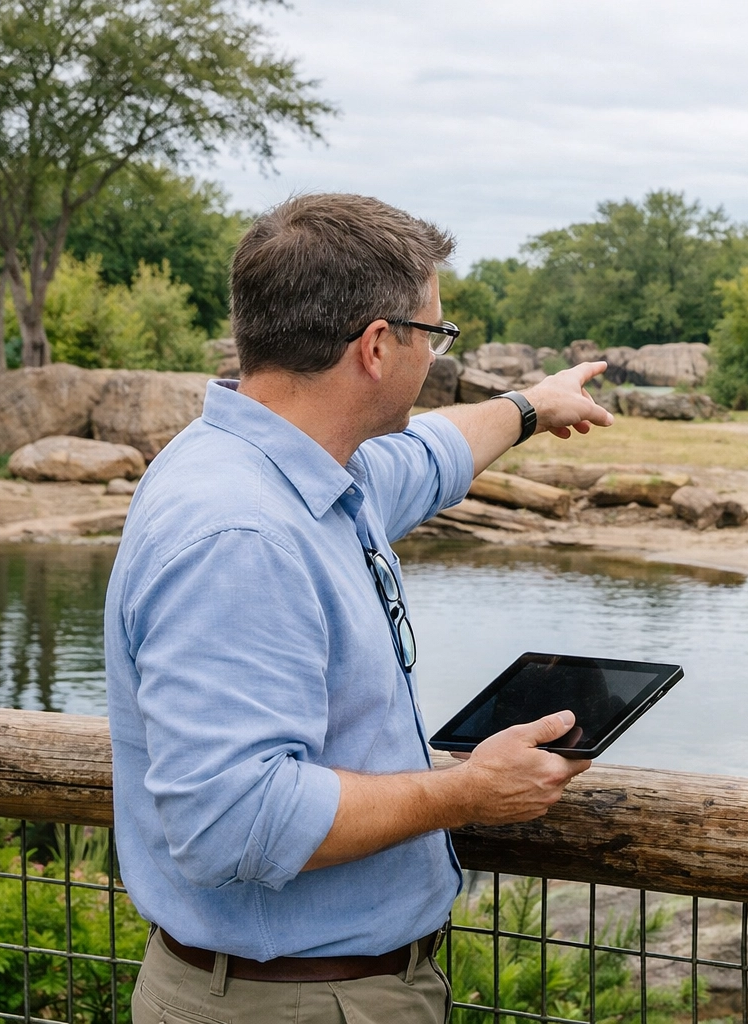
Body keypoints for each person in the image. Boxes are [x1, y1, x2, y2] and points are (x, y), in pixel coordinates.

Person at [106, 193, 614, 1024]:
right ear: (379, 345)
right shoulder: (242, 533)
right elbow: (233, 820)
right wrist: (467, 791)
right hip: (294, 1004)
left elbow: (428, 458)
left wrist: (529, 407)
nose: (439, 355)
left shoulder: (289, 468)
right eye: (436, 335)